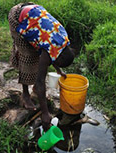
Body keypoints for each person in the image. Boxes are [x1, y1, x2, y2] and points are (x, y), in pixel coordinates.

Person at [8, 2, 74, 131]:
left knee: (36, 55)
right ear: (58, 57)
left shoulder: (64, 40)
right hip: (17, 16)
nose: (53, 63)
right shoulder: (49, 49)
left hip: (33, 11)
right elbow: (40, 83)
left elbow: (55, 55)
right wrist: (45, 113)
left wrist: (59, 70)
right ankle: (25, 95)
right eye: (57, 63)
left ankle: (30, 92)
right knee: (27, 57)